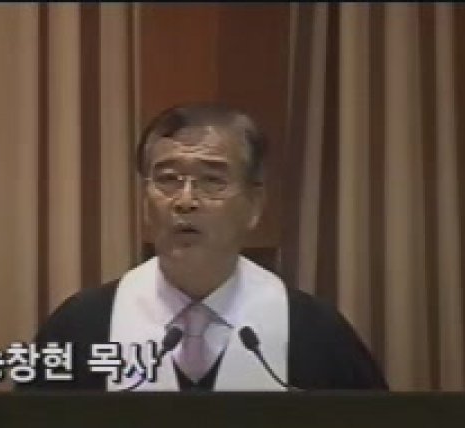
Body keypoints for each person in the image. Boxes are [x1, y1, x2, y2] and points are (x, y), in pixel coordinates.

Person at [31, 103, 387, 391]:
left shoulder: (316, 333)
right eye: (167, 180)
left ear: (254, 205)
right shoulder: (81, 328)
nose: (185, 201)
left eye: (212, 181)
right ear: (144, 201)